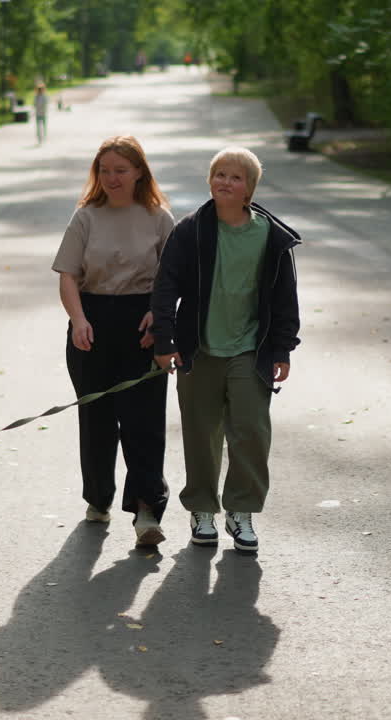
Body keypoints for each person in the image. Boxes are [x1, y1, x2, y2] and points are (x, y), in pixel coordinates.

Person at [150, 147, 301, 552]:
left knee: (251, 431)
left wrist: (283, 348)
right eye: (219, 174)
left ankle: (241, 511)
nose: (224, 182)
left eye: (235, 177)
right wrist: (164, 342)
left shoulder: (269, 236)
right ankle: (202, 509)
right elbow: (164, 289)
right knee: (202, 433)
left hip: (251, 349)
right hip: (198, 350)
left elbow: (285, 296)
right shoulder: (191, 231)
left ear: (249, 188)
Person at [52, 136, 175, 546]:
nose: (111, 178)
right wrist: (78, 320)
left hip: (143, 325)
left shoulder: (159, 218)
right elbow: (68, 275)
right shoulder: (85, 216)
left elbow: (172, 277)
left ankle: (146, 511)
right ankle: (99, 497)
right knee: (98, 419)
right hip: (93, 323)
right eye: (104, 170)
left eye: (120, 170)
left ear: (139, 171)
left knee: (143, 421)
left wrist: (159, 313)